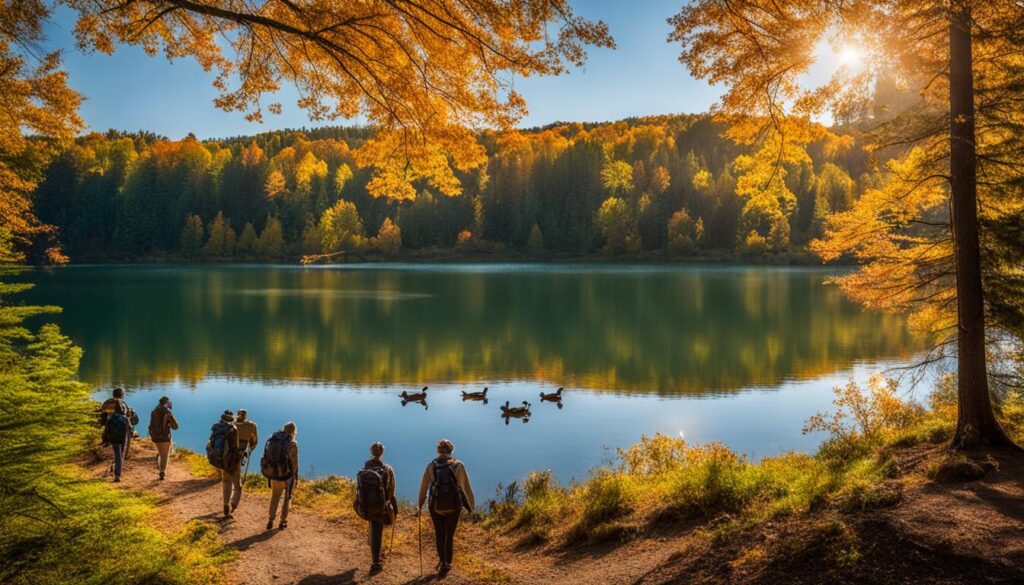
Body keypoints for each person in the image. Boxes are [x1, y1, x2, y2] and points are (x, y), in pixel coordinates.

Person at [417, 439, 475, 577]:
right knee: (450, 535)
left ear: (438, 451)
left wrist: (419, 505)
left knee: (439, 534)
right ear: (451, 451)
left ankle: (442, 561)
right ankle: (448, 563)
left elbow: (424, 487)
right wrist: (471, 506)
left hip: (435, 506)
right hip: (453, 506)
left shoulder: (431, 465)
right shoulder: (458, 465)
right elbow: (465, 487)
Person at [357, 442, 398, 574]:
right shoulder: (387, 469)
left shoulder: (364, 469)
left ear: (371, 452)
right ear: (382, 453)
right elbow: (391, 490)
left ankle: (374, 551)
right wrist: (394, 506)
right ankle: (376, 563)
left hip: (367, 504)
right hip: (382, 505)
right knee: (378, 531)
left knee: (374, 527)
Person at [266, 421, 299, 530]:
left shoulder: (273, 438)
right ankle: (282, 521)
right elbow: (294, 464)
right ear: (294, 431)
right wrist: (295, 477)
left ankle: (270, 519)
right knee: (287, 498)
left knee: (275, 496)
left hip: (273, 472)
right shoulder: (292, 443)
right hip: (286, 475)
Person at [211, 410, 242, 519]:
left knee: (226, 482)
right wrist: (239, 457)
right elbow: (235, 448)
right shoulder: (233, 429)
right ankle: (233, 505)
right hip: (231, 462)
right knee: (238, 486)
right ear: (232, 420)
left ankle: (225, 507)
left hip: (221, 460)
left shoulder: (216, 427)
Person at [148, 396, 179, 481]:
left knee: (161, 453)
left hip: (155, 436)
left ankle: (160, 466)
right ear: (167, 403)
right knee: (165, 455)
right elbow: (175, 426)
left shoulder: (154, 411)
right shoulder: (167, 411)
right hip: (165, 436)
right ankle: (162, 472)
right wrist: (171, 411)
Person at [102, 401, 132, 482]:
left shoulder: (111, 417)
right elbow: (130, 428)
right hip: (122, 438)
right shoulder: (124, 418)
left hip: (113, 438)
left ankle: (116, 473)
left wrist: (106, 439)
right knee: (120, 455)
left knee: (117, 455)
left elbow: (106, 429)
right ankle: (117, 475)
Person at [234, 409, 259, 477]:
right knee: (238, 463)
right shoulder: (251, 425)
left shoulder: (232, 423)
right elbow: (254, 440)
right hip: (242, 448)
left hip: (232, 447)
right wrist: (251, 449)